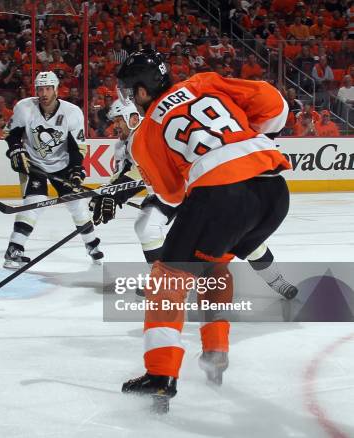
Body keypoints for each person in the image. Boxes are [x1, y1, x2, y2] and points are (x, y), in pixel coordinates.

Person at [115, 50, 291, 410]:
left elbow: (172, 194)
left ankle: (161, 374)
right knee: (215, 267)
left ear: (144, 91)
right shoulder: (203, 82)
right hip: (273, 190)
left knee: (167, 279)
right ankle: (216, 352)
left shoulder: (146, 132)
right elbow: (275, 107)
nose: (132, 99)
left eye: (132, 92)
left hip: (222, 196)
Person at [93, 99, 298, 296]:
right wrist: (108, 193)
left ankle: (276, 279)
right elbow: (127, 175)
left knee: (242, 238)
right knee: (146, 225)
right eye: (114, 122)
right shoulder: (122, 145)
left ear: (133, 118)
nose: (115, 126)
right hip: (168, 192)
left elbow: (143, 172)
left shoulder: (152, 133)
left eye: (118, 120)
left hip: (194, 187)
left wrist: (117, 192)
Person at [2, 71, 104, 269]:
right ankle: (14, 249)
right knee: (34, 202)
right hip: (35, 164)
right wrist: (16, 150)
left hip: (63, 165)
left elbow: (76, 147)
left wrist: (76, 170)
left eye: (48, 88)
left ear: (56, 90)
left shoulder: (72, 112)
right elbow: (11, 133)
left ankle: (91, 245)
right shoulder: (24, 108)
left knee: (77, 205)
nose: (44, 93)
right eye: (40, 89)